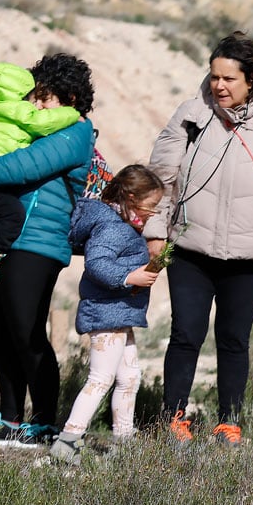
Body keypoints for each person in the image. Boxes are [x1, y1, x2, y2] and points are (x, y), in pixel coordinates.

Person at [144, 31, 253, 445]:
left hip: (249, 251)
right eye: (214, 77)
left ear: (252, 80)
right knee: (186, 333)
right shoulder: (191, 116)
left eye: (229, 79)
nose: (219, 86)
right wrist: (154, 233)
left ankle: (229, 422)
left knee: (234, 338)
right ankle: (173, 419)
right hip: (190, 248)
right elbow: (160, 181)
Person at [0, 53, 96, 448]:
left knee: (26, 330)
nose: (35, 104)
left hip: (36, 241)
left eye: (45, 97)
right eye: (34, 96)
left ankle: (45, 422)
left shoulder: (76, 132)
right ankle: (9, 418)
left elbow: (24, 166)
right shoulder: (31, 122)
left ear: (70, 97)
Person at [49, 166, 165, 466]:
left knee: (129, 378)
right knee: (101, 379)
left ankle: (123, 442)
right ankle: (68, 441)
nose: (153, 213)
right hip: (105, 316)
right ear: (129, 198)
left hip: (119, 315)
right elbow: (97, 265)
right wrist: (130, 278)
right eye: (150, 206)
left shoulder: (124, 226)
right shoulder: (112, 226)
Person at [0, 62, 80, 285]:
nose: (37, 104)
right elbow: (42, 124)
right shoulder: (21, 110)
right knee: (13, 213)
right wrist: (70, 113)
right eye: (35, 97)